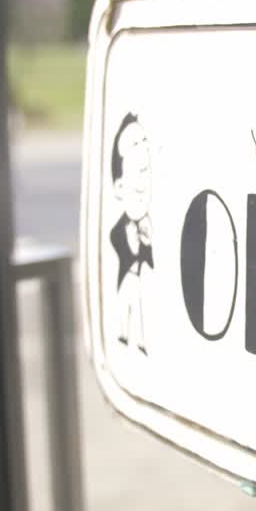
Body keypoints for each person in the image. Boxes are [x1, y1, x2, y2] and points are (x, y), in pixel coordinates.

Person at [109, 112, 153, 354]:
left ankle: (139, 342)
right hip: (128, 277)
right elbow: (118, 243)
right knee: (127, 309)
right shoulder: (120, 228)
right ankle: (127, 337)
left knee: (139, 307)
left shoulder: (148, 225)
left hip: (140, 278)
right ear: (119, 187)